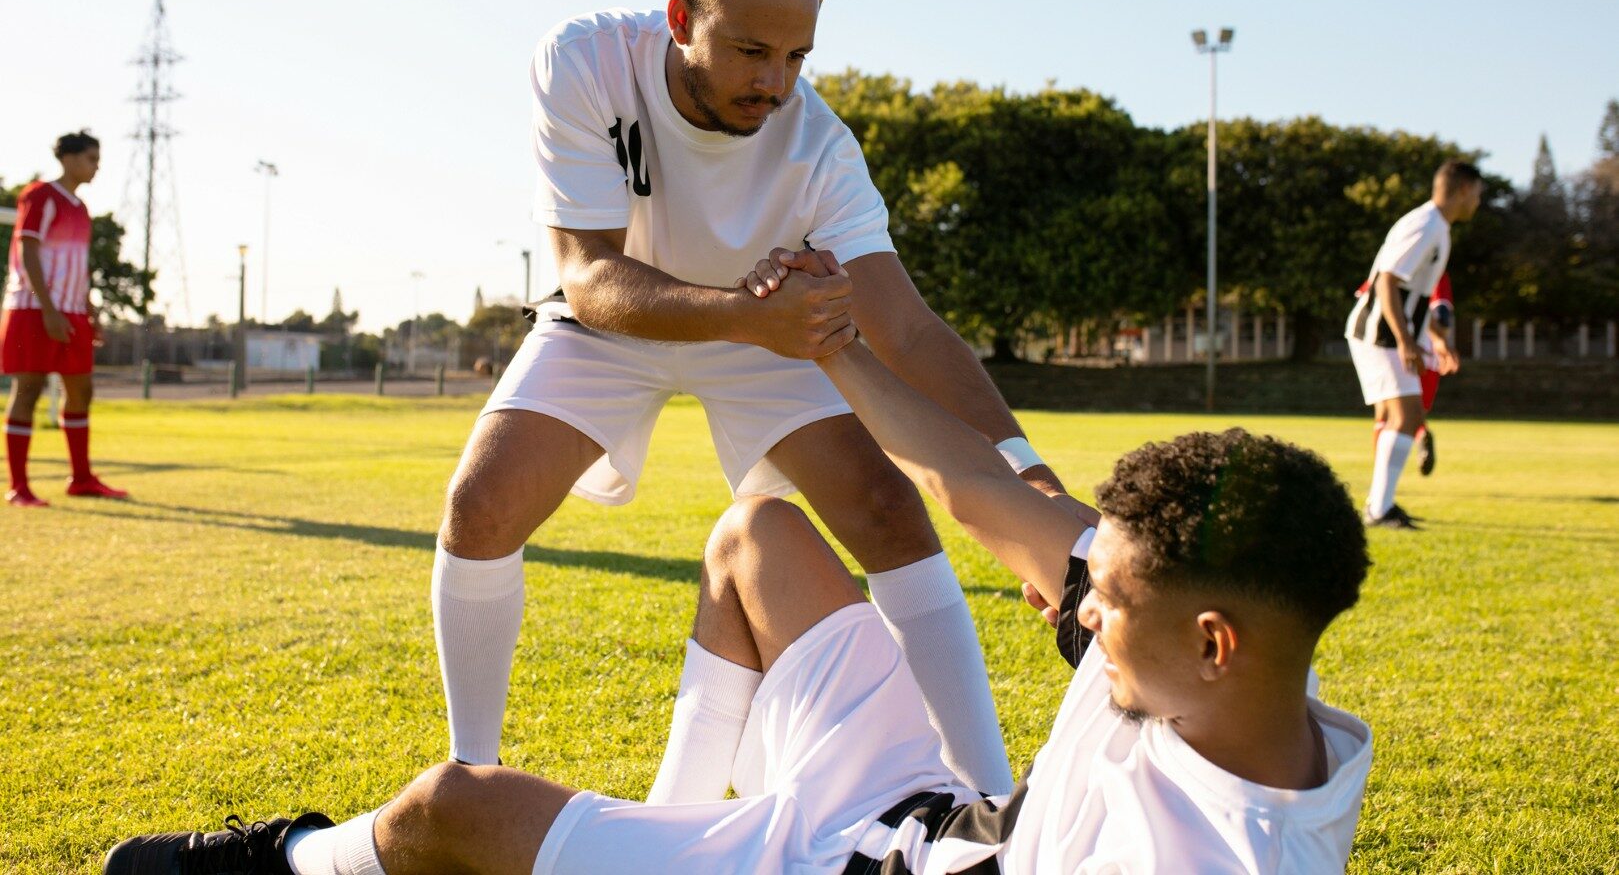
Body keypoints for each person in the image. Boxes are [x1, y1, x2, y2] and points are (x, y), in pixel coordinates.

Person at [102, 251, 1375, 875]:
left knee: (456, 806)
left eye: (1106, 605)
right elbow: (976, 485)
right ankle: (674, 822)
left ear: (1211, 643)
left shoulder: (1221, 859)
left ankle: (281, 865)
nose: (1074, 605)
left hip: (851, 869)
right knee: (760, 534)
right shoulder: (1206, 658)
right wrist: (831, 348)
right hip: (938, 821)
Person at [431, 0, 1059, 796]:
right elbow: (589, 277)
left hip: (760, 337)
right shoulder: (584, 59)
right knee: (480, 505)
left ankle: (986, 798)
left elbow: (908, 328)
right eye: (751, 50)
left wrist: (1027, 476)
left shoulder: (820, 149)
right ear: (683, 17)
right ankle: (471, 779)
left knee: (888, 514)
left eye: (797, 55)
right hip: (619, 313)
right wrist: (737, 310)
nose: (774, 82)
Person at [1345, 160, 1482, 528]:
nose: (1478, 203)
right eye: (1478, 194)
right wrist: (1405, 340)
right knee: (1406, 416)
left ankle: (1380, 505)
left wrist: (1437, 338)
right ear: (1464, 189)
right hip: (1378, 333)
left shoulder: (1438, 227)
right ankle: (1379, 509)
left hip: (1390, 334)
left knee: (1407, 416)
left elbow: (1416, 297)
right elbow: (1386, 282)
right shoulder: (1425, 225)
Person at [2, 130, 128, 507]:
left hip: (72, 311)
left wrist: (89, 310)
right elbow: (28, 249)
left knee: (81, 389)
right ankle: (19, 487)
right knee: (29, 389)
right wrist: (49, 308)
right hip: (33, 308)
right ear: (69, 159)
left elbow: (77, 265)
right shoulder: (40, 195)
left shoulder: (80, 207)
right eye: (91, 159)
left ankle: (81, 478)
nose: (96, 167)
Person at [1363, 272, 1457, 476]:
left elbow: (1368, 299)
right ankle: (1421, 433)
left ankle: (1381, 480)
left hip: (1396, 348)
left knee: (1386, 414)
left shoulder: (1394, 265)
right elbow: (1442, 316)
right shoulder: (1435, 270)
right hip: (1427, 356)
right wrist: (1440, 340)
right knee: (1411, 414)